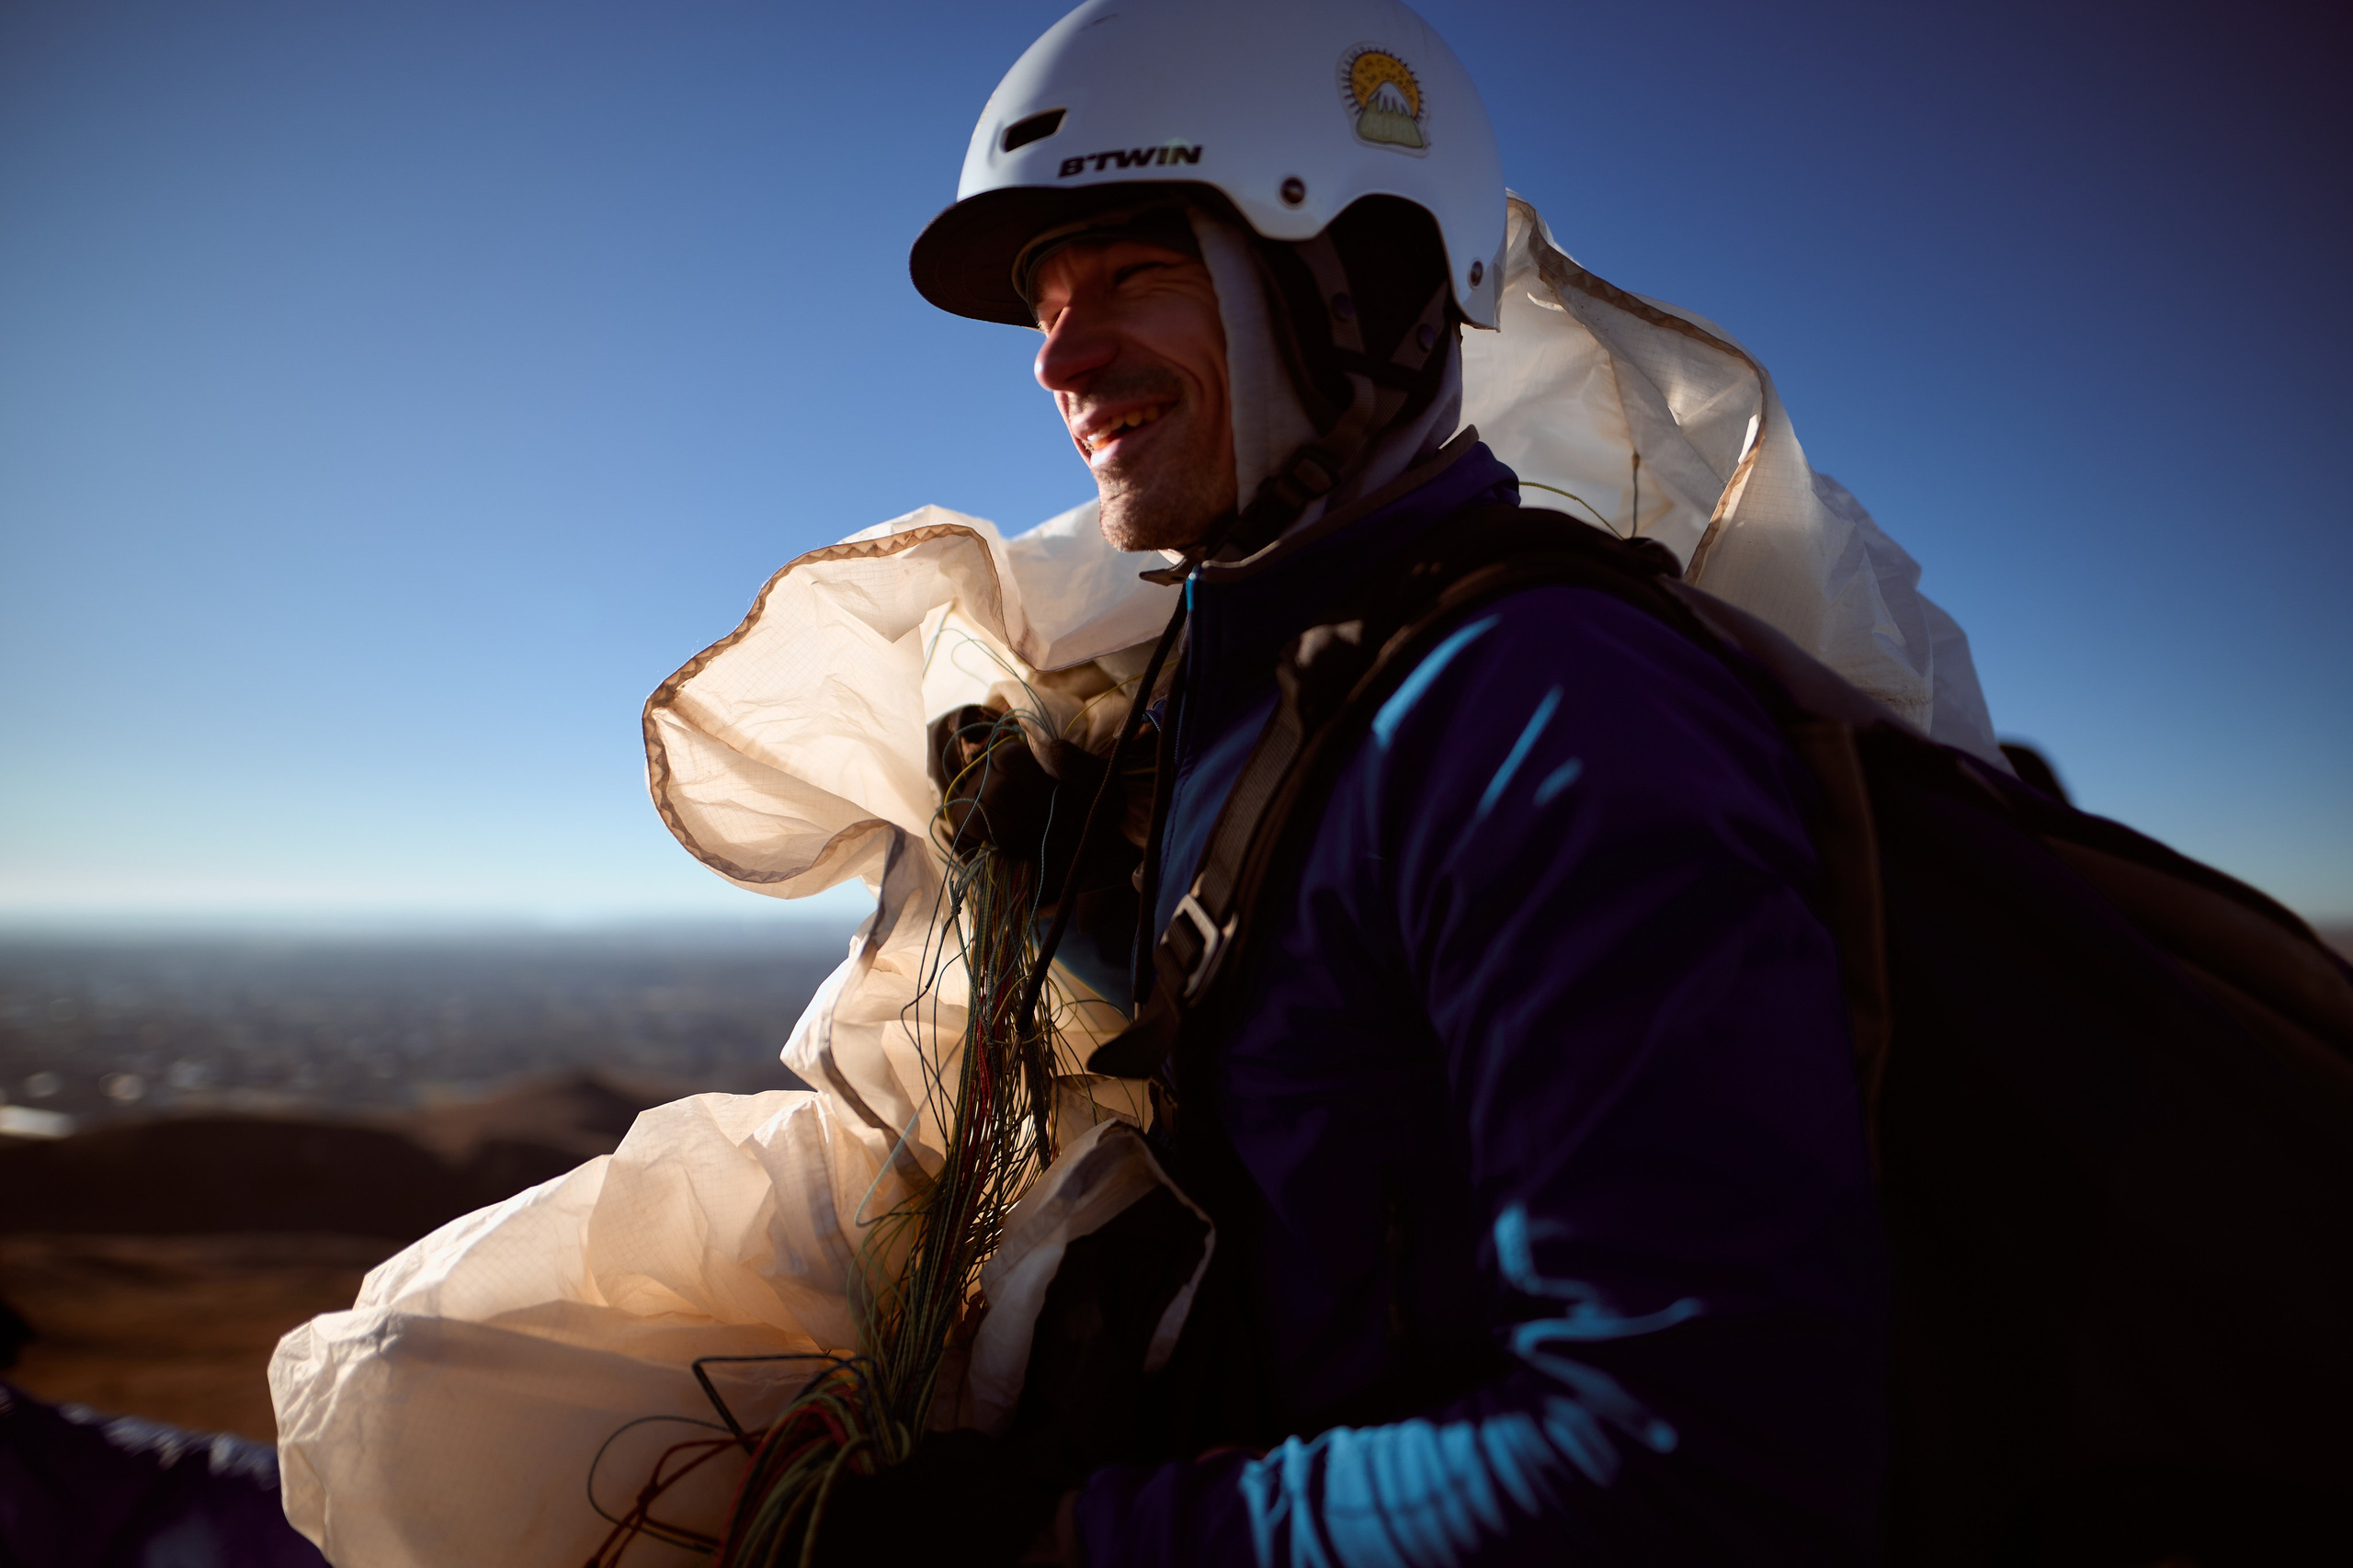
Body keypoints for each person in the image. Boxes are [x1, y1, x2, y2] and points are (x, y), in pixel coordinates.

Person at [881, 1, 1891, 1563]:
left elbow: (1700, 1455)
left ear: (1363, 286)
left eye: (1137, 270)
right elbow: (1316, 1057)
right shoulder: (1270, 676)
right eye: (1047, 301)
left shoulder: (1545, 716)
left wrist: (1080, 1541)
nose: (1059, 361)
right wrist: (1069, 899)